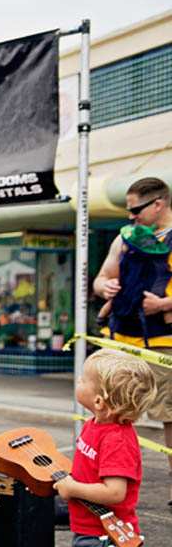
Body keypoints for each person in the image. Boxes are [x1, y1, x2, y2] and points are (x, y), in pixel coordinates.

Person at [54, 349, 155, 547]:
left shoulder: (117, 440)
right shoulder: (93, 425)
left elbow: (115, 492)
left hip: (107, 542)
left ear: (99, 400)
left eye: (84, 380)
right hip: (87, 534)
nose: (78, 381)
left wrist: (72, 488)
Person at [93, 176, 172, 512]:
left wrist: (165, 305)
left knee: (169, 415)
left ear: (159, 204)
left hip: (163, 342)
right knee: (111, 411)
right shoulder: (123, 239)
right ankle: (106, 481)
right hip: (121, 340)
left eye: (136, 209)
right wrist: (104, 289)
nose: (131, 216)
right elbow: (101, 278)